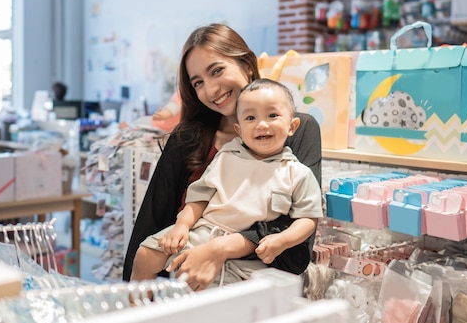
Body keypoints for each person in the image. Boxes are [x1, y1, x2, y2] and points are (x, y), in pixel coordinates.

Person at [123, 23, 322, 291]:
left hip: (253, 292)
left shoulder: (296, 131)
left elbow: (297, 248)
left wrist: (219, 249)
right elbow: (151, 223)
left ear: (247, 65)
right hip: (181, 290)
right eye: (198, 83)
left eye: (217, 71)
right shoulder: (188, 138)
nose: (211, 89)